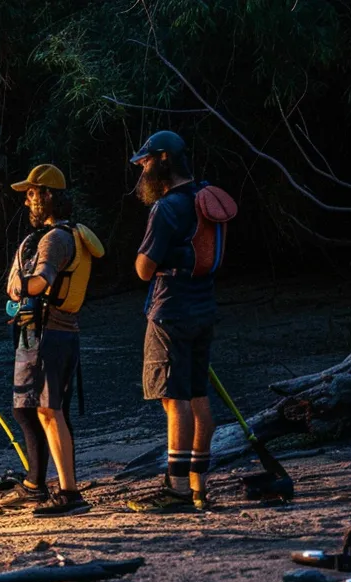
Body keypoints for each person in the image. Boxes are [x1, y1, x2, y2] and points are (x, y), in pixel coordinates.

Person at [123, 130, 221, 513]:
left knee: (173, 399)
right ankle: (199, 486)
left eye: (146, 160)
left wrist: (146, 261)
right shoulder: (205, 197)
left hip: (169, 311)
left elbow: (144, 270)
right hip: (204, 306)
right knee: (198, 395)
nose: (143, 167)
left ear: (163, 158)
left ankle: (176, 487)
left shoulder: (164, 208)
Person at [0, 165, 100, 517]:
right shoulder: (53, 235)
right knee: (27, 408)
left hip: (49, 333)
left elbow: (41, 281)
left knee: (49, 409)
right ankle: (35, 484)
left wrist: (20, 288)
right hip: (43, 332)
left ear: (49, 196)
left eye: (32, 194)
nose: (28, 201)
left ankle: (70, 494)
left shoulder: (55, 239)